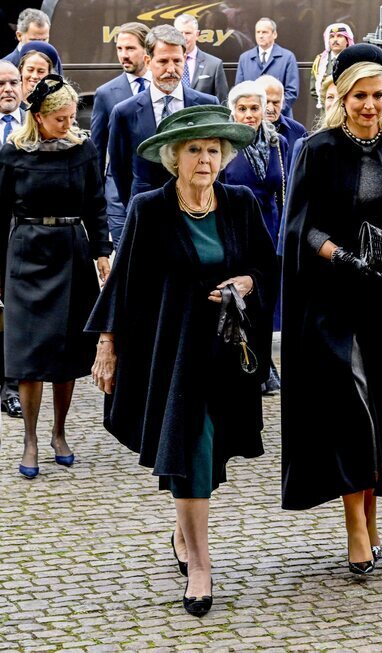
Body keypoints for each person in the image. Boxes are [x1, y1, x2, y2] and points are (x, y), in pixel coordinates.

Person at [87, 105, 278, 617]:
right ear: (175, 158)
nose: (204, 158)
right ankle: (200, 563)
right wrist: (107, 345)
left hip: (225, 350)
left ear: (224, 157)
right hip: (170, 350)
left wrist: (247, 282)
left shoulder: (239, 203)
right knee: (192, 444)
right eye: (194, 149)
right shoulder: (150, 208)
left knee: (210, 453)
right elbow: (122, 279)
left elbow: (267, 263)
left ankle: (182, 530)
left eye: (213, 150)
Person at [280, 44, 382, 575]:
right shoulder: (318, 149)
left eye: (377, 94)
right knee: (350, 409)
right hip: (334, 300)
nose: (370, 105)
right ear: (341, 96)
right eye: (359, 95)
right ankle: (356, 526)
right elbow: (301, 228)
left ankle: (373, 522)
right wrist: (345, 257)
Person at [0, 75, 112, 478]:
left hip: (70, 249)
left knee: (65, 352)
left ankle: (59, 433)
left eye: (70, 117)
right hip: (26, 253)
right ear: (39, 117)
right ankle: (29, 439)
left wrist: (102, 251)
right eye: (60, 119)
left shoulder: (82, 149)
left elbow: (96, 204)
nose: (68, 124)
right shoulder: (13, 153)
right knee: (29, 356)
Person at [108, 25, 218, 214]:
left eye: (177, 61)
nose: (171, 69)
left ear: (185, 59)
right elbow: (120, 170)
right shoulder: (125, 112)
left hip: (195, 212)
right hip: (147, 214)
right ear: (148, 61)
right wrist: (136, 208)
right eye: (163, 61)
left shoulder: (206, 105)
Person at [223, 80, 288, 394]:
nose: (249, 115)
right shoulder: (225, 145)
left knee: (266, 301)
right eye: (242, 109)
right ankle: (245, 364)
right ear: (233, 111)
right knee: (243, 301)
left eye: (254, 108)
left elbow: (283, 191)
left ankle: (264, 367)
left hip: (270, 229)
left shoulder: (278, 143)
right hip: (237, 231)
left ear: (265, 110)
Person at [90, 22, 151, 245]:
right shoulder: (106, 94)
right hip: (117, 198)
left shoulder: (164, 88)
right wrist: (96, 200)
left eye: (130, 48)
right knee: (124, 264)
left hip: (159, 192)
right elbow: (97, 149)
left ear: (147, 50)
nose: (123, 55)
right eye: (119, 49)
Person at [0, 60, 24, 419]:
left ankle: (10, 386)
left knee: (13, 311)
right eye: (1, 83)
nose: (7, 89)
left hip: (21, 232)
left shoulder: (32, 128)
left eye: (13, 82)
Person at [234, 18, 299, 117]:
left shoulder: (287, 57)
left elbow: (292, 92)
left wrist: (272, 111)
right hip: (252, 118)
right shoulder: (245, 58)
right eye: (258, 32)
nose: (260, 36)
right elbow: (239, 90)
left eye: (264, 32)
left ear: (274, 34)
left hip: (280, 118)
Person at [174, 14, 229, 104]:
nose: (183, 37)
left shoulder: (214, 65)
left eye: (188, 33)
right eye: (179, 33)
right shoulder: (166, 64)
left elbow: (222, 102)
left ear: (197, 35)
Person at [310, 23, 354, 107]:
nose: (335, 40)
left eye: (339, 36)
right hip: (327, 111)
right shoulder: (320, 61)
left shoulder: (354, 60)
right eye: (332, 36)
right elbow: (314, 90)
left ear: (347, 40)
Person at [258, 75, 305, 148]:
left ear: (282, 102)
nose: (270, 109)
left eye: (275, 103)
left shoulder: (298, 131)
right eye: (266, 102)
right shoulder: (244, 132)